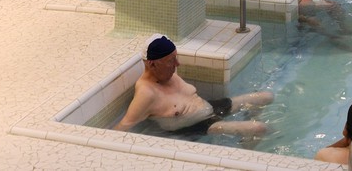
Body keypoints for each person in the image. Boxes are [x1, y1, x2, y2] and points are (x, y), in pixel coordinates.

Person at [115, 36, 272, 136]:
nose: (177, 64)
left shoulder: (168, 74)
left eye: (176, 57)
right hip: (200, 126)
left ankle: (245, 140)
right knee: (258, 128)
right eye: (171, 60)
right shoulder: (146, 93)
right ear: (152, 64)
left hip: (211, 108)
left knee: (265, 97)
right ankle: (245, 156)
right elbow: (123, 126)